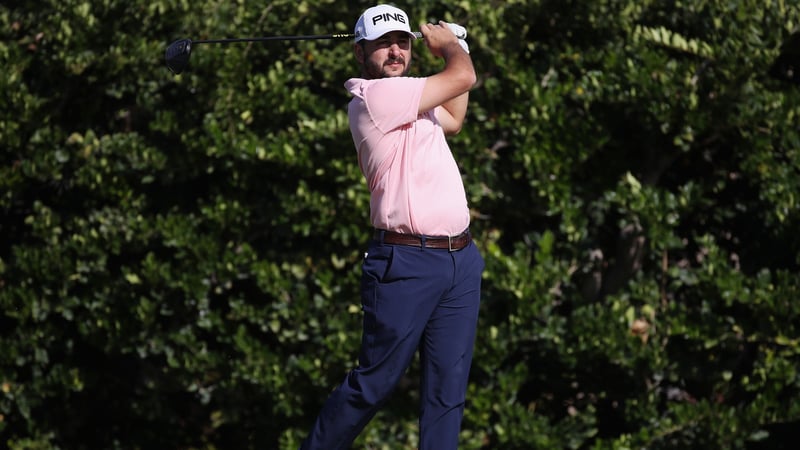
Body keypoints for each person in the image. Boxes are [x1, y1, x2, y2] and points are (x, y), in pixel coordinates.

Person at [300, 4, 483, 449]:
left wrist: (455, 48)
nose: (395, 51)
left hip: (460, 260)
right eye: (382, 45)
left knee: (447, 393)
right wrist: (452, 47)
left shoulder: (415, 102)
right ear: (361, 55)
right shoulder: (375, 97)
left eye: (402, 41)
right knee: (372, 385)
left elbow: (454, 118)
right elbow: (463, 79)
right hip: (407, 262)